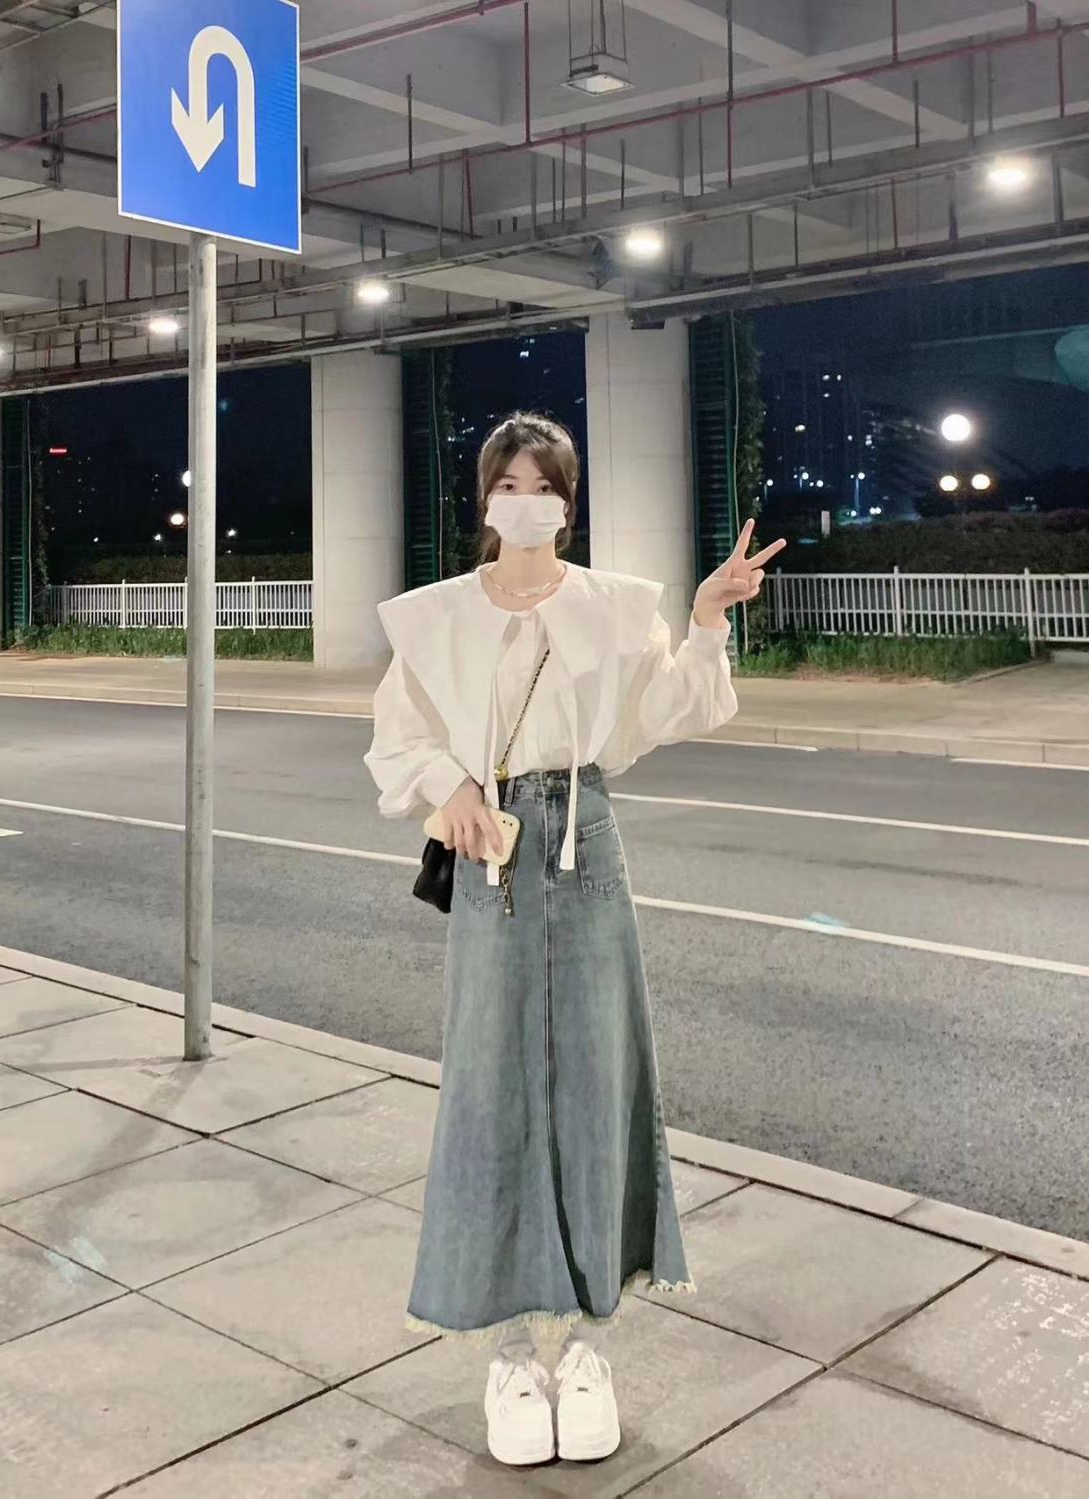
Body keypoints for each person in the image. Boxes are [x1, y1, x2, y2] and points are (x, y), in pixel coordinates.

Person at [364, 411, 784, 1467]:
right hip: (491, 848)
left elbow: (673, 707)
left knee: (601, 1076)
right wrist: (449, 784)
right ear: (484, 499)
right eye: (507, 483)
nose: (525, 501)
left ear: (567, 500)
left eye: (542, 484)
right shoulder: (436, 615)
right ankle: (511, 1349)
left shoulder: (611, 606)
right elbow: (397, 735)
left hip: (585, 834)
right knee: (491, 1082)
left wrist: (704, 619)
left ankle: (591, 1342)